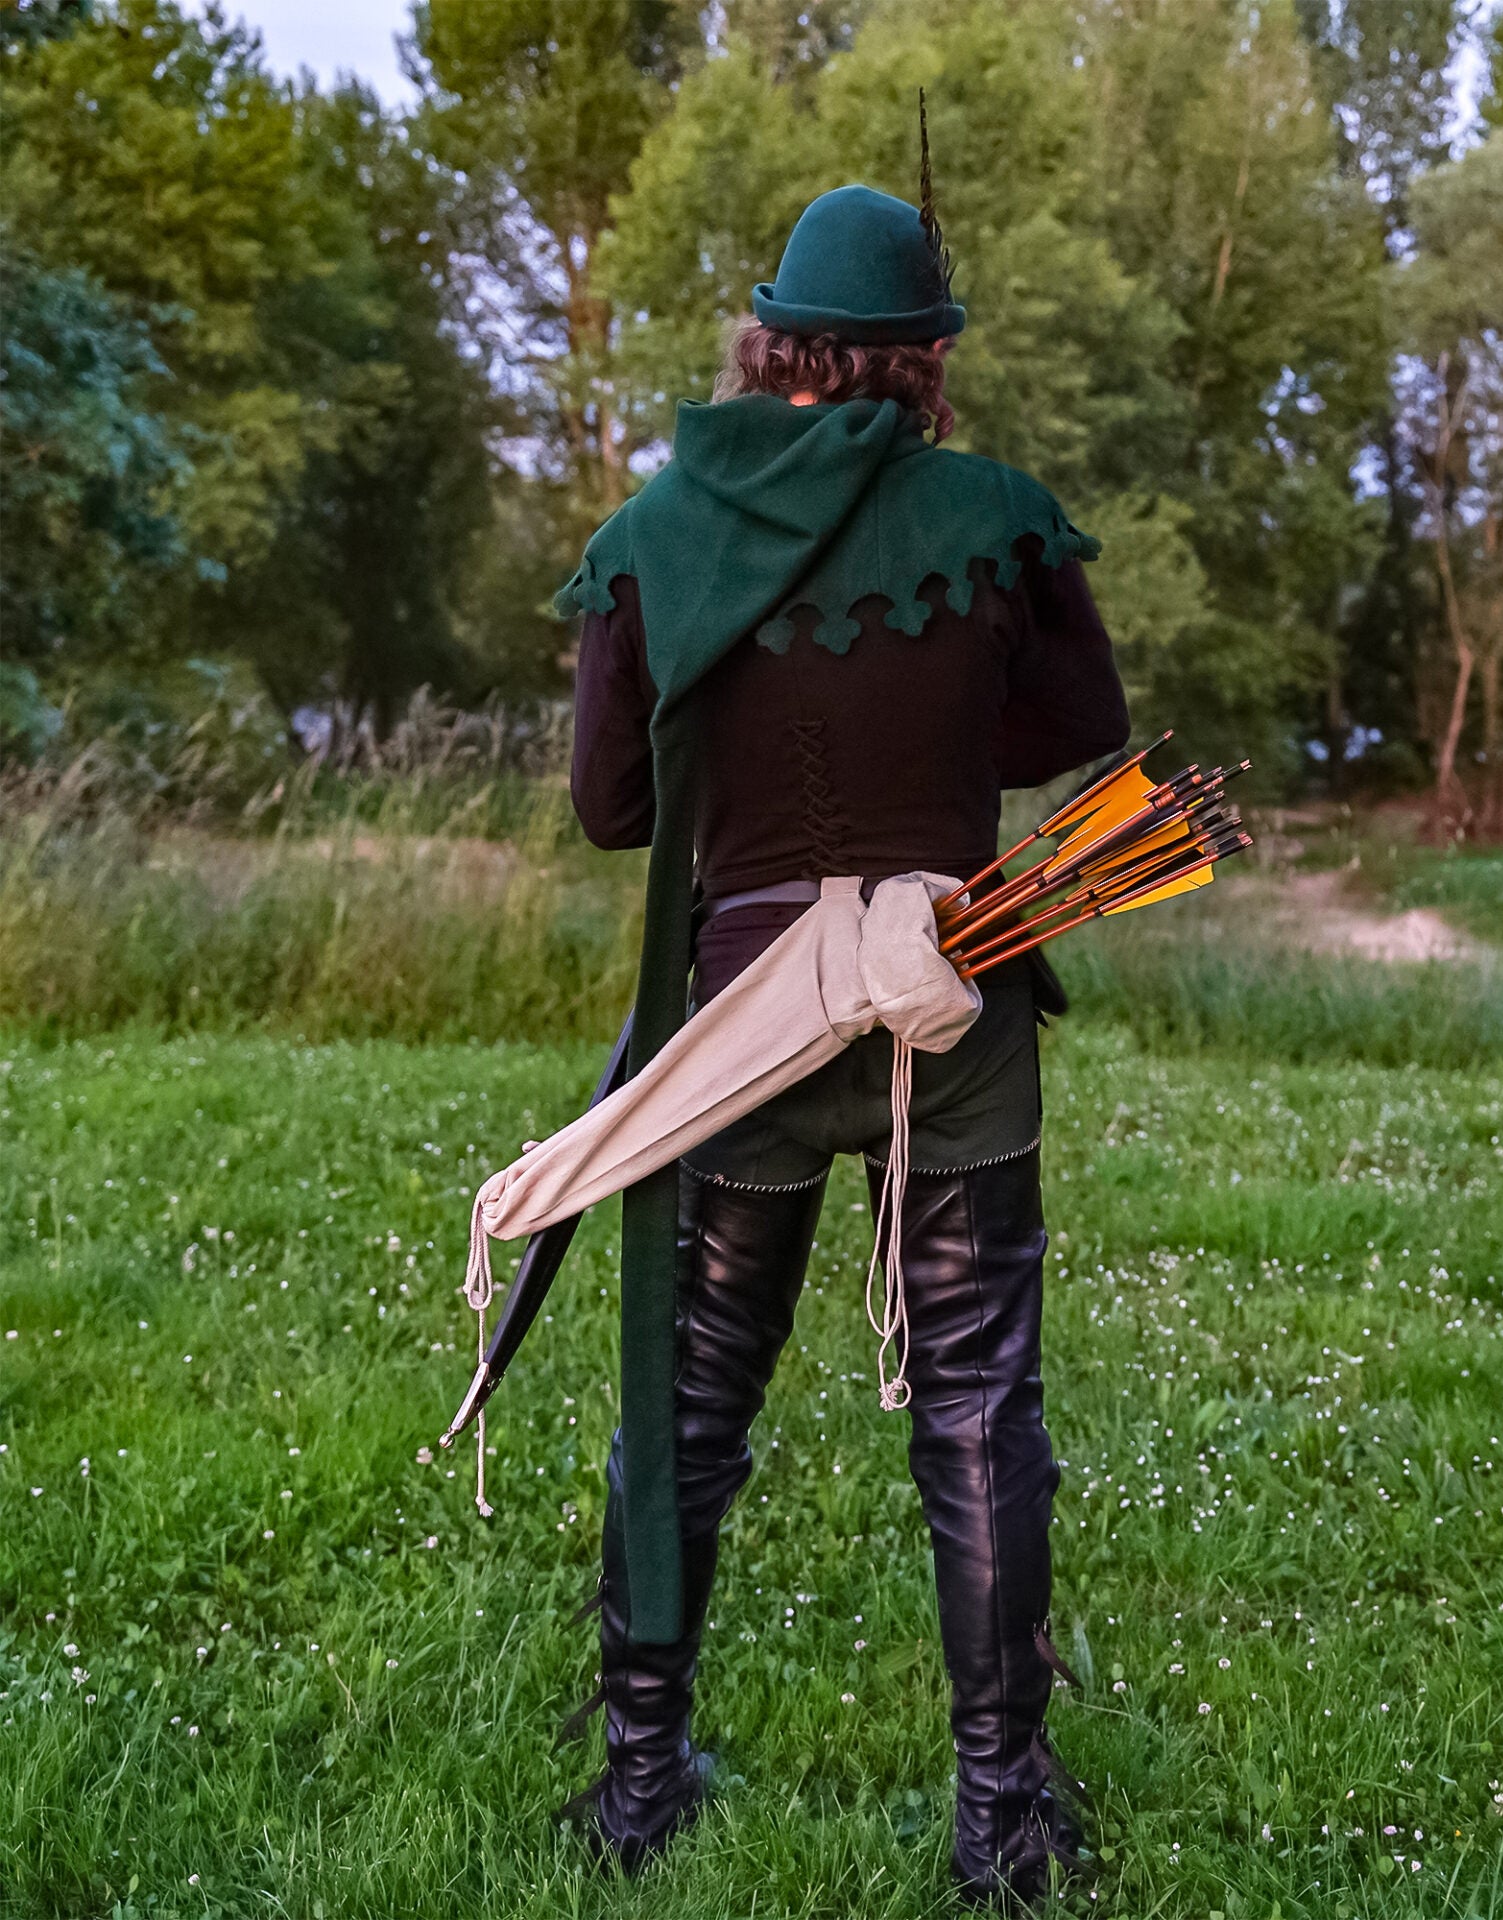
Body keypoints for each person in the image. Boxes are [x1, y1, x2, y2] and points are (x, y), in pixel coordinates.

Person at [556, 175, 1130, 1905]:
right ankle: (1001, 1819)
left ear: (771, 342)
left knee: (691, 1397)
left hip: (740, 1017)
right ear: (925, 362)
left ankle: (642, 1789)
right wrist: (939, 728)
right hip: (949, 992)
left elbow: (608, 805)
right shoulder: (1001, 516)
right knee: (977, 1410)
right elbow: (1085, 731)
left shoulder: (653, 535)